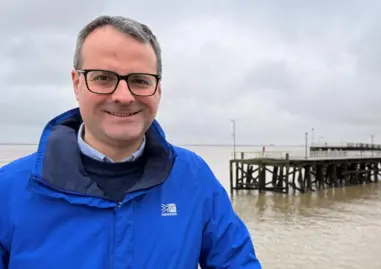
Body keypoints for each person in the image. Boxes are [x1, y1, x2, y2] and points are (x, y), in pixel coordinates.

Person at [0, 15, 261, 269]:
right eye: (103, 77)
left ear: (158, 90)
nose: (123, 96)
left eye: (139, 80)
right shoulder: (9, 189)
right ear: (77, 83)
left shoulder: (194, 178)